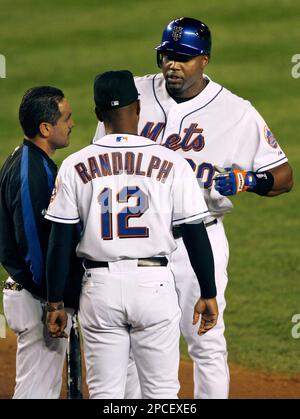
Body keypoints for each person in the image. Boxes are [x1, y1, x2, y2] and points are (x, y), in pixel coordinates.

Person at [93, 18, 293, 399]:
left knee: (206, 340)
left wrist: (249, 181)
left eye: (183, 58)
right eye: (166, 55)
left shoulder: (236, 111)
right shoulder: (133, 94)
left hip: (198, 240)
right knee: (136, 343)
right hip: (138, 240)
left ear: (204, 61)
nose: (172, 64)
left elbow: (283, 176)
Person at [44, 70, 219, 399]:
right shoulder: (172, 162)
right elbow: (195, 232)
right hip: (154, 286)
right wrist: (208, 292)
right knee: (162, 393)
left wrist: (55, 301)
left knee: (105, 395)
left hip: (100, 288)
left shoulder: (74, 165)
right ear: (138, 108)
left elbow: (61, 240)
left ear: (98, 114)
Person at [0, 86, 80, 399]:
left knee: (40, 387)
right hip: (37, 297)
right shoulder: (29, 170)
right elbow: (33, 244)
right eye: (66, 118)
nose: (71, 124)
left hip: (34, 292)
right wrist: (53, 298)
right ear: (46, 128)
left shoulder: (33, 160)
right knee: (36, 391)